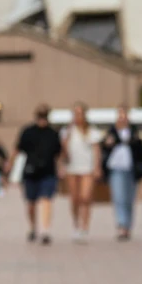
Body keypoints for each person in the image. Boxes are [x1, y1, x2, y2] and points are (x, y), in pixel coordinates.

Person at [13, 104, 63, 245]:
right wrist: (9, 166)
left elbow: (58, 154)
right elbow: (17, 149)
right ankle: (33, 227)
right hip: (30, 171)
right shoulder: (28, 132)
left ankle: (45, 229)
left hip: (48, 172)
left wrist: (61, 167)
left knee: (46, 199)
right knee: (31, 203)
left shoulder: (53, 134)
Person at [99, 105, 142, 241]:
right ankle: (121, 225)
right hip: (116, 169)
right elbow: (103, 149)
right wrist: (108, 144)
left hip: (131, 170)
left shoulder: (134, 132)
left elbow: (141, 152)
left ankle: (127, 225)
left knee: (129, 199)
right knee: (119, 197)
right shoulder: (111, 132)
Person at [60, 102, 103, 243]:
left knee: (85, 197)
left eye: (80, 113)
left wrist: (97, 167)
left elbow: (97, 150)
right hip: (72, 168)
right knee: (75, 198)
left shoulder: (92, 131)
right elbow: (63, 152)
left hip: (87, 168)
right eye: (75, 113)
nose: (77, 116)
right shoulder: (67, 131)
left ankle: (85, 227)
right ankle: (76, 225)